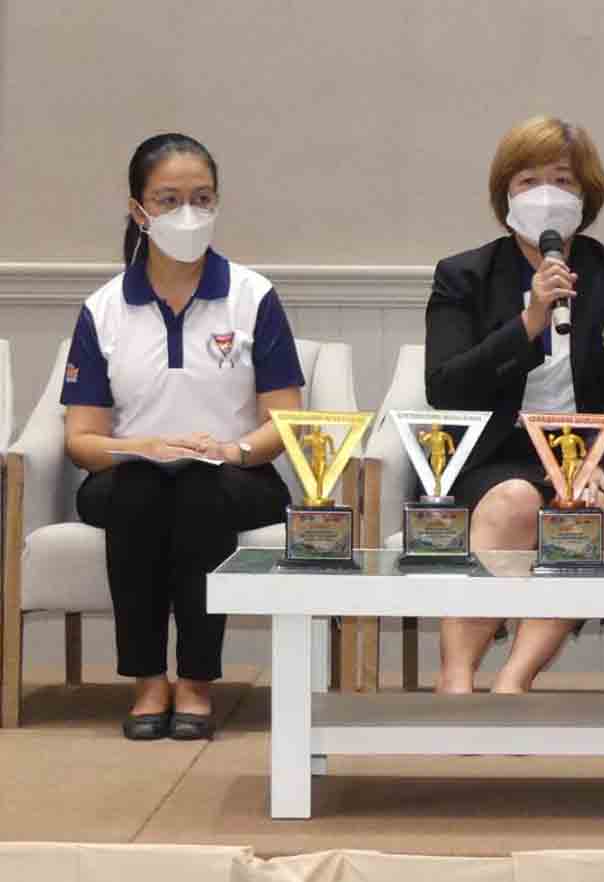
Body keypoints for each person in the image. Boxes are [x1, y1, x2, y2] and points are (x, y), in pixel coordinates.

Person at [62, 134, 305, 741]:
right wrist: (141, 448)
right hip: (129, 474)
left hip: (236, 476)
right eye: (168, 200)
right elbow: (81, 440)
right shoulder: (104, 308)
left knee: (197, 487)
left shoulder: (252, 296)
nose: (187, 213)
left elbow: (283, 422)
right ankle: (148, 679)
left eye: (201, 198)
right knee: (143, 487)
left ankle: (195, 680)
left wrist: (228, 451)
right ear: (138, 210)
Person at [425, 115, 604, 694]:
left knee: (581, 515)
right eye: (528, 181)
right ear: (505, 196)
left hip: (595, 460)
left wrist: (597, 459)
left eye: (562, 180)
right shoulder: (463, 275)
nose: (546, 195)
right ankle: (456, 682)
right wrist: (528, 323)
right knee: (512, 501)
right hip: (496, 457)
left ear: (586, 195)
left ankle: (513, 683)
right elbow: (446, 387)